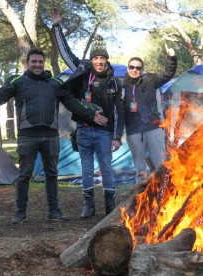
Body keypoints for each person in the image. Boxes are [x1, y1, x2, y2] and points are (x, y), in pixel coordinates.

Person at [0, 48, 108, 224]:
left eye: (40, 62)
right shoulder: (18, 82)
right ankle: (20, 212)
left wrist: (90, 115)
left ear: (43, 63)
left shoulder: (55, 83)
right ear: (27, 63)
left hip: (51, 135)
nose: (37, 65)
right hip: (27, 135)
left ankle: (54, 211)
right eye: (34, 61)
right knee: (24, 174)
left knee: (52, 174)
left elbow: (71, 103)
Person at [52, 8, 125, 218]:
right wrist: (57, 27)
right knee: (86, 169)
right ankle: (88, 205)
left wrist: (118, 137)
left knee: (106, 168)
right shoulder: (83, 71)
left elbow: (120, 112)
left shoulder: (114, 82)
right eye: (96, 58)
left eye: (102, 58)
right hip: (83, 130)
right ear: (91, 60)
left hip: (104, 133)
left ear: (106, 60)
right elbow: (66, 54)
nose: (99, 61)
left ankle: (110, 205)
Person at [124, 47, 177, 184]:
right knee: (140, 169)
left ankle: (164, 194)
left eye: (138, 68)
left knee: (161, 165)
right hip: (133, 130)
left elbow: (167, 74)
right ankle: (140, 198)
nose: (135, 70)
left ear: (142, 70)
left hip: (154, 128)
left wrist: (171, 58)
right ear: (127, 68)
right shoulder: (121, 85)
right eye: (132, 67)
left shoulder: (150, 80)